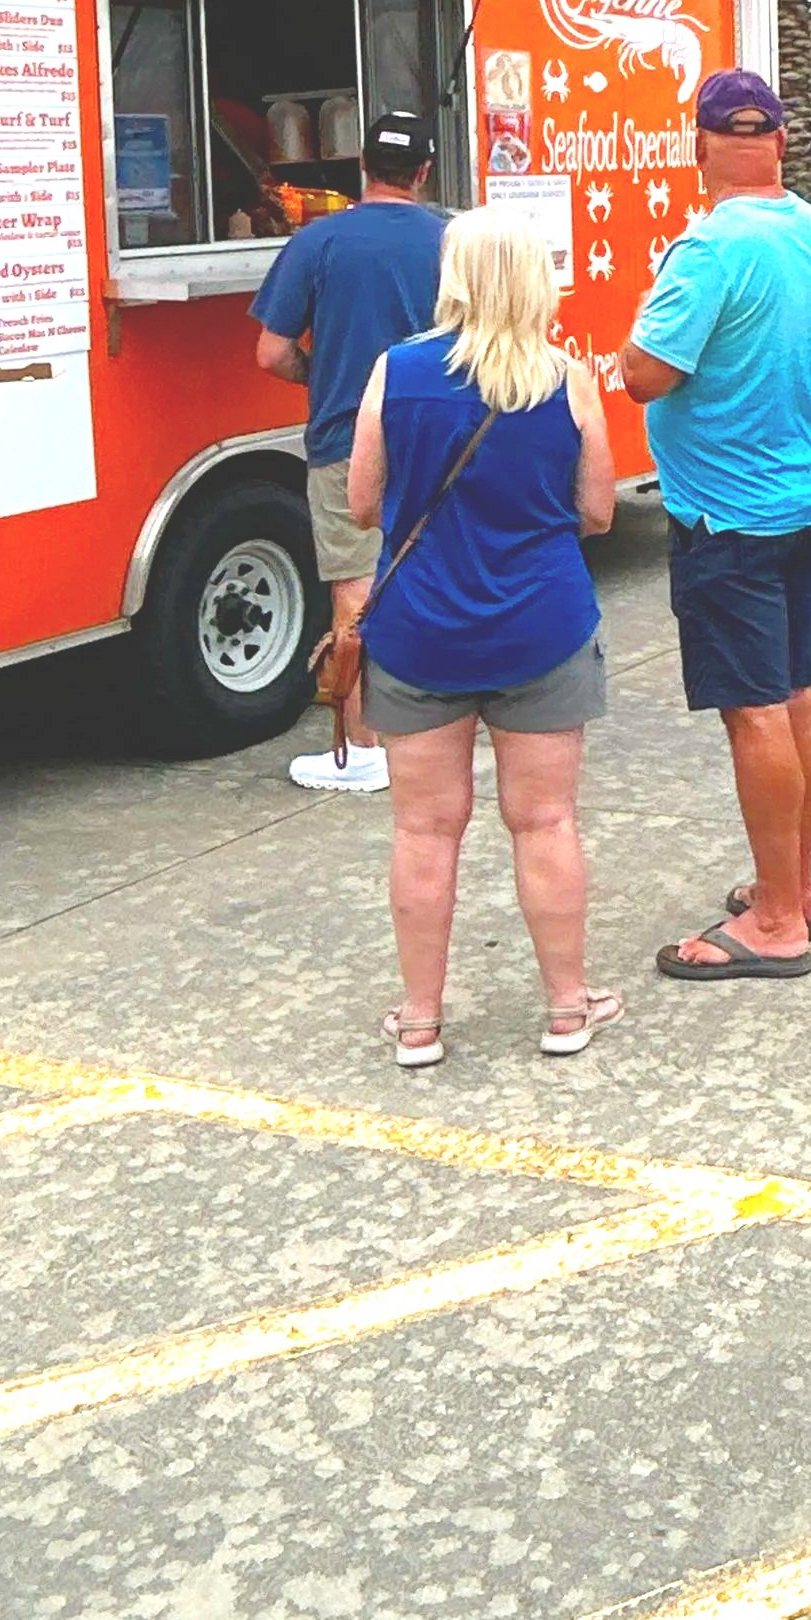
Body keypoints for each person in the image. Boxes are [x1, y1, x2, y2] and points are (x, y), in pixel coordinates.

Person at [348, 212, 618, 1066]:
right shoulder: (568, 380)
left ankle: (421, 1021)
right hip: (541, 627)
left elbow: (361, 503)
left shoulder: (397, 371)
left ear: (454, 276)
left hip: (420, 632)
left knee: (424, 831)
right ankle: (567, 1009)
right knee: (544, 822)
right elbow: (600, 511)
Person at [622, 70, 811, 978]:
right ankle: (793, 885)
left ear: (701, 144)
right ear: (780, 142)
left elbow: (649, 374)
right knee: (798, 696)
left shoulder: (708, 249)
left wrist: (630, 346)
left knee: (753, 709)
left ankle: (779, 923)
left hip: (731, 515)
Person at [253, 109, 449, 792]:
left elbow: (271, 351)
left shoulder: (318, 242)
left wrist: (322, 374)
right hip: (439, 439)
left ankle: (365, 750)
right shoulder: (453, 238)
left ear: (359, 167)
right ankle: (442, 732)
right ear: (424, 171)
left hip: (345, 438)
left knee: (356, 596)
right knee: (438, 577)